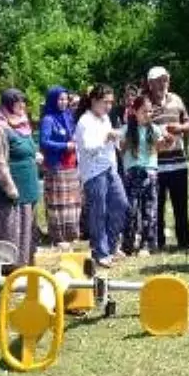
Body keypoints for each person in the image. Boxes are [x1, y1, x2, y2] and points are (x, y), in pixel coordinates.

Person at [74, 84, 128, 268]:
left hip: (110, 168)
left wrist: (117, 139)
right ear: (94, 101)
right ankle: (100, 252)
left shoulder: (105, 118)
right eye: (105, 102)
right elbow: (87, 148)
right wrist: (106, 138)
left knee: (121, 205)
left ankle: (111, 245)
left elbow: (111, 145)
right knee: (99, 212)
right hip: (94, 173)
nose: (109, 106)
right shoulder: (84, 121)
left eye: (111, 102)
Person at [0, 89, 40, 268]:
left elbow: (29, 149)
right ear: (8, 104)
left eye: (23, 102)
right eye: (19, 102)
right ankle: (10, 271)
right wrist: (10, 188)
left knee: (27, 230)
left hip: (29, 186)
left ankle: (24, 266)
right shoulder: (0, 128)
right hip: (13, 191)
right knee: (11, 230)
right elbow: (0, 161)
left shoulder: (23, 125)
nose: (23, 106)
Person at [146, 67, 189, 251]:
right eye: (158, 80)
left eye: (165, 79)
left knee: (180, 203)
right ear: (150, 83)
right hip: (155, 162)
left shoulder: (177, 99)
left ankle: (184, 240)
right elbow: (139, 127)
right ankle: (158, 240)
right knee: (157, 205)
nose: (162, 84)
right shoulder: (146, 102)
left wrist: (180, 127)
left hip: (178, 161)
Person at [39, 85, 83, 246]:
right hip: (56, 166)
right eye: (60, 99)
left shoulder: (68, 116)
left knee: (72, 202)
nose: (64, 102)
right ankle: (58, 237)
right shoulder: (48, 119)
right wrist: (64, 146)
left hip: (71, 166)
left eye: (66, 99)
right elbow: (44, 142)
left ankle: (71, 234)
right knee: (58, 203)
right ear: (53, 100)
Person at [121, 95, 164, 256]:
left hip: (150, 172)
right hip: (132, 173)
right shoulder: (126, 129)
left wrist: (167, 142)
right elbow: (121, 149)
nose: (147, 114)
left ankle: (147, 243)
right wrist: (121, 142)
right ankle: (128, 244)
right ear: (135, 111)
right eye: (144, 111)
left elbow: (159, 149)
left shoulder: (155, 129)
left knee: (149, 210)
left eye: (150, 111)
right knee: (131, 210)